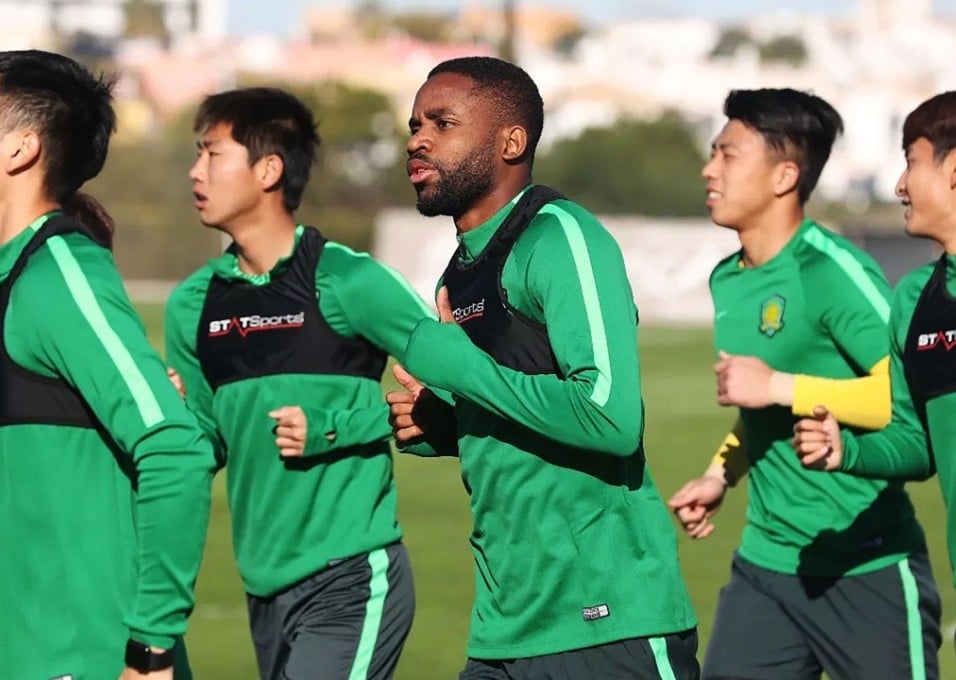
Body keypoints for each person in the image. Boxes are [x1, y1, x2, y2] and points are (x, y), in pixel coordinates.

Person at [386, 55, 699, 679]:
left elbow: (609, 418)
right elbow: (515, 402)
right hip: (505, 625)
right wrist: (446, 424)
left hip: (607, 622)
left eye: (442, 123)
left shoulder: (560, 237)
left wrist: (463, 371)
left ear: (512, 141)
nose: (417, 139)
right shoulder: (461, 270)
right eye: (416, 123)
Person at [0, 49, 215, 679]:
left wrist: (150, 648)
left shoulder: (61, 272)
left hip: (89, 664)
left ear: (20, 149)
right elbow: (9, 496)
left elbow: (174, 447)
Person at [667, 88, 940, 679]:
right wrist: (720, 475)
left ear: (784, 175)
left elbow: (904, 403)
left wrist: (783, 386)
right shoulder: (728, 281)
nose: (708, 168)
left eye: (728, 154)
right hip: (764, 569)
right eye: (713, 152)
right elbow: (761, 410)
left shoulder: (834, 272)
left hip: (865, 568)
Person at [164, 87, 428, 680]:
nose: (195, 171)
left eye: (211, 154)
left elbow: (461, 384)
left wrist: (335, 424)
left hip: (351, 576)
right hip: (262, 588)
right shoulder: (191, 305)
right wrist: (164, 417)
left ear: (269, 169)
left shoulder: (349, 280)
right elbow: (205, 444)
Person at [794, 91, 956, 630]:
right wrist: (849, 449)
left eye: (911, 160)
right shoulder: (914, 299)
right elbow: (917, 442)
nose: (899, 185)